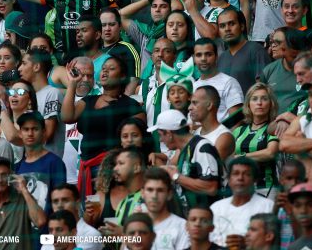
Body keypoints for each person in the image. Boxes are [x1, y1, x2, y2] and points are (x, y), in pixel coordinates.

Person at [63, 55, 145, 200]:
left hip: (111, 169)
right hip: (86, 168)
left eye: (111, 69)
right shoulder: (88, 100)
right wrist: (72, 84)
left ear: (122, 76)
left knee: (105, 212)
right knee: (90, 213)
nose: (105, 72)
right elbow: (67, 117)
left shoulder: (130, 106)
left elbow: (138, 143)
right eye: (103, 69)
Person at [148, 109, 222, 213]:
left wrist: (175, 176)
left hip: (207, 219)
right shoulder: (184, 151)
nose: (160, 140)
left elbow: (211, 187)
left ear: (169, 133)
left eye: (160, 135)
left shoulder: (202, 147)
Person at [209, 157, 275, 248]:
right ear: (229, 179)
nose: (240, 178)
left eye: (247, 174)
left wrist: (247, 245)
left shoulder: (268, 206)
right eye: (236, 174)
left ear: (255, 180)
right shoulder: (216, 208)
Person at [232, 82, 280, 196]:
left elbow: (270, 153)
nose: (259, 103)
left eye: (264, 99)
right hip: (240, 189)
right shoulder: (239, 131)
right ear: (248, 104)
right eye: (254, 99)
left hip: (266, 188)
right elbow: (228, 158)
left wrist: (241, 157)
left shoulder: (274, 127)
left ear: (271, 104)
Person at [13, 111, 67, 213]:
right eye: (26, 129)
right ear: (20, 133)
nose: (30, 133)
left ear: (43, 132)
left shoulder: (55, 163)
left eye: (35, 129)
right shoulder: (16, 167)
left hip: (48, 226)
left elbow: (61, 203)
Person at [216, 7, 271, 94]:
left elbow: (263, 87)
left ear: (241, 26)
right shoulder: (221, 58)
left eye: (232, 24)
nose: (227, 29)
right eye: (222, 26)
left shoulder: (256, 50)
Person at [193, 38, 244, 123]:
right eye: (199, 55)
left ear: (216, 57)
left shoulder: (229, 83)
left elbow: (236, 122)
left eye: (208, 54)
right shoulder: (193, 86)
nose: (203, 59)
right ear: (194, 58)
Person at [50, 184, 104, 250]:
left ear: (77, 204)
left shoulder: (91, 235)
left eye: (65, 200)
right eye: (55, 201)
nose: (60, 206)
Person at [188, 85, 234, 161]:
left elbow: (209, 165)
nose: (189, 107)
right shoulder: (195, 133)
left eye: (195, 103)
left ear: (209, 105)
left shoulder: (224, 137)